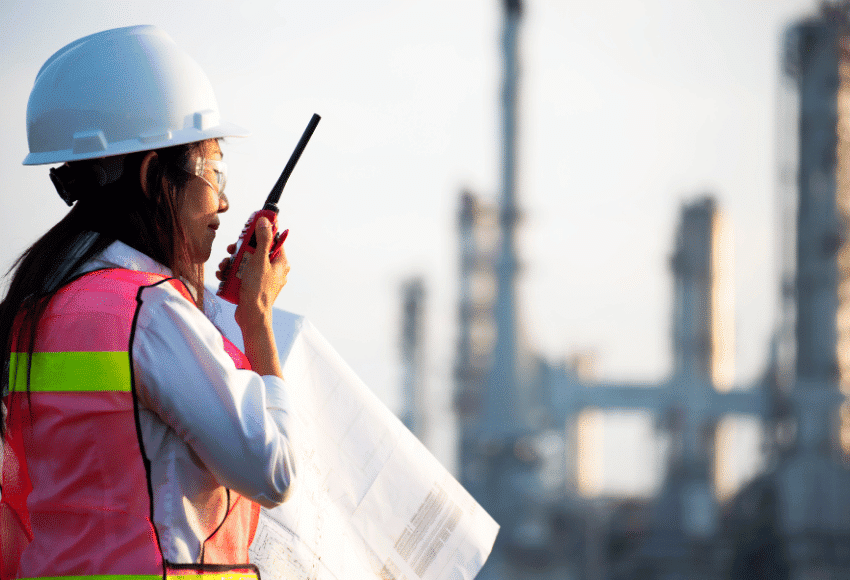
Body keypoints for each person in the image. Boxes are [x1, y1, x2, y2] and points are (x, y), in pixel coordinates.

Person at [0, 25, 295, 578]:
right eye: (212, 169)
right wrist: (255, 321)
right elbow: (271, 470)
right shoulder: (152, 313)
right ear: (152, 172)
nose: (224, 200)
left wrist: (213, 311)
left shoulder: (35, 307)